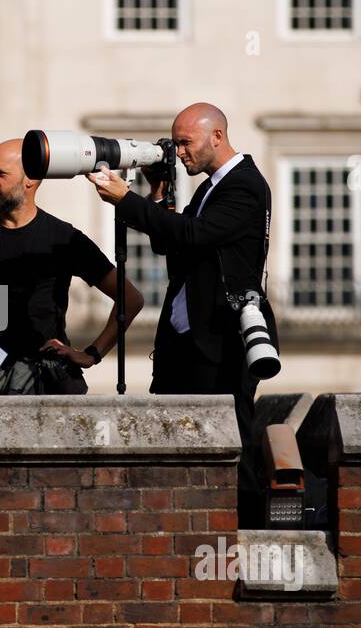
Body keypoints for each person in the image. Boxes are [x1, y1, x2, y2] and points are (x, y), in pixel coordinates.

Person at [85, 101, 279, 525]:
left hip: (221, 341)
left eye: (185, 143)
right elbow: (171, 245)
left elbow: (193, 234)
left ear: (217, 136)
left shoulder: (244, 185)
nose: (181, 152)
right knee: (176, 437)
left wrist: (126, 200)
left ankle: (246, 531)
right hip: (188, 343)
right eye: (175, 144)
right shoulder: (210, 188)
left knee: (230, 439)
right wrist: (157, 194)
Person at [0, 138, 143, 393]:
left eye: (0, 174)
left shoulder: (63, 238)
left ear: (29, 179)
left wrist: (92, 353)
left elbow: (130, 299)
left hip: (46, 380)